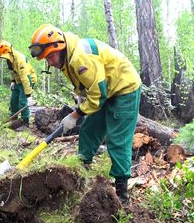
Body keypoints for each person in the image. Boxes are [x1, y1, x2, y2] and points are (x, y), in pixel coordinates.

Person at [29, 24, 141, 204]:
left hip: (124, 88)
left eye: (50, 56)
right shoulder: (67, 58)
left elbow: (98, 94)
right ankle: (81, 173)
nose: (49, 62)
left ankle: (122, 193)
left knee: (117, 139)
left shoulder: (80, 58)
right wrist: (81, 102)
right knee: (89, 131)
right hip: (106, 90)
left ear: (60, 47)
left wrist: (75, 115)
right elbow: (87, 86)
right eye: (46, 59)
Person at [0, 40, 37, 129]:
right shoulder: (9, 60)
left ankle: (25, 123)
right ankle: (14, 120)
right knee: (13, 101)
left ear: (9, 51)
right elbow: (13, 72)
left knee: (23, 101)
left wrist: (28, 95)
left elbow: (25, 78)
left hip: (28, 80)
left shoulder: (19, 59)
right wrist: (13, 81)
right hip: (18, 80)